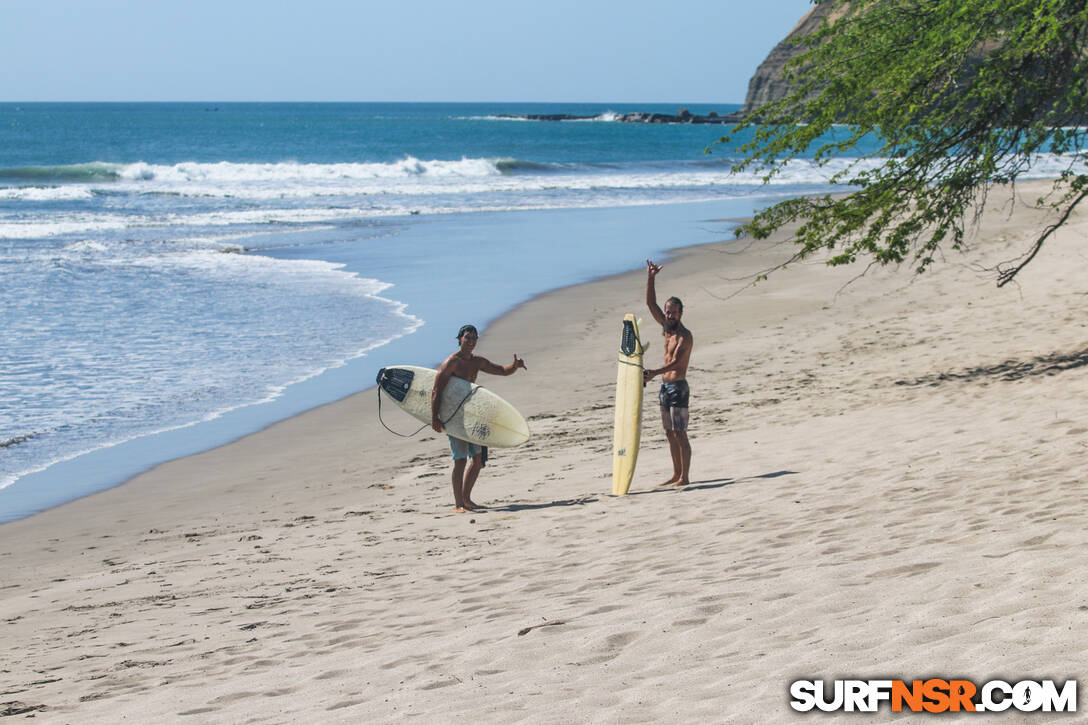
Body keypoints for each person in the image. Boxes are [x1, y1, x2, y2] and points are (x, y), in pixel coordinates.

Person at [431, 324, 527, 512]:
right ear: (460, 339)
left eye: (474, 338)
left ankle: (467, 499)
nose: (471, 342)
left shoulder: (477, 362)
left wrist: (514, 367)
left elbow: (500, 370)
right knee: (460, 460)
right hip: (452, 415)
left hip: (471, 413)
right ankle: (458, 504)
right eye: (467, 338)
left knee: (477, 460)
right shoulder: (452, 363)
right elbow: (437, 390)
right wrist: (435, 418)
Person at [643, 259, 694, 486]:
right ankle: (675, 473)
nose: (670, 315)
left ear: (681, 313)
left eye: (674, 312)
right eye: (668, 312)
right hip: (664, 387)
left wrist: (653, 372)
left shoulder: (684, 336)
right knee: (669, 433)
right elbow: (650, 304)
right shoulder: (666, 330)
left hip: (678, 388)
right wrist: (651, 278)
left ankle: (685, 476)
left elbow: (675, 364)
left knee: (680, 433)